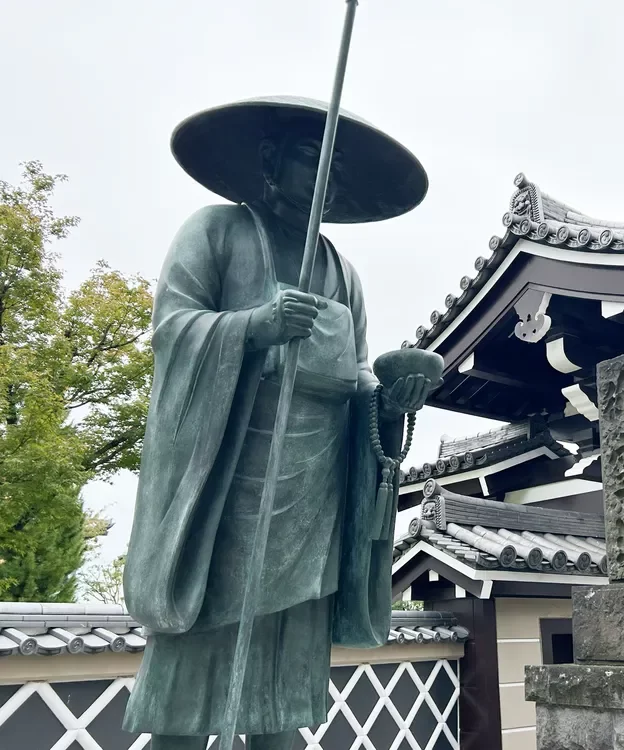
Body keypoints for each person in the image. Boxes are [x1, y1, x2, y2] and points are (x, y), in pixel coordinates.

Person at [121, 96, 432, 750]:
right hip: (225, 495)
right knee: (183, 704)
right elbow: (174, 332)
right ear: (269, 159)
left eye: (335, 166)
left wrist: (388, 401)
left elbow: (355, 377)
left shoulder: (342, 272)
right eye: (309, 156)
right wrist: (252, 329)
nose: (325, 175)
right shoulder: (216, 232)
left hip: (311, 503)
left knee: (278, 702)